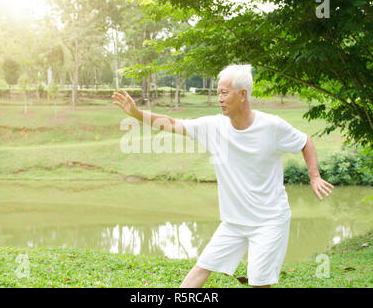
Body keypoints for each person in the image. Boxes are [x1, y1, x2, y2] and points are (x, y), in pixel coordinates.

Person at [112, 64, 334, 288]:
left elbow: (305, 142)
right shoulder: (214, 126)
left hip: (269, 221)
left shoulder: (271, 126)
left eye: (224, 93)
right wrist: (137, 114)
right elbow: (173, 124)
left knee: (259, 282)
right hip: (234, 223)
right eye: (218, 92)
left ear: (243, 95)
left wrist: (314, 176)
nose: (219, 98)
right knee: (200, 270)